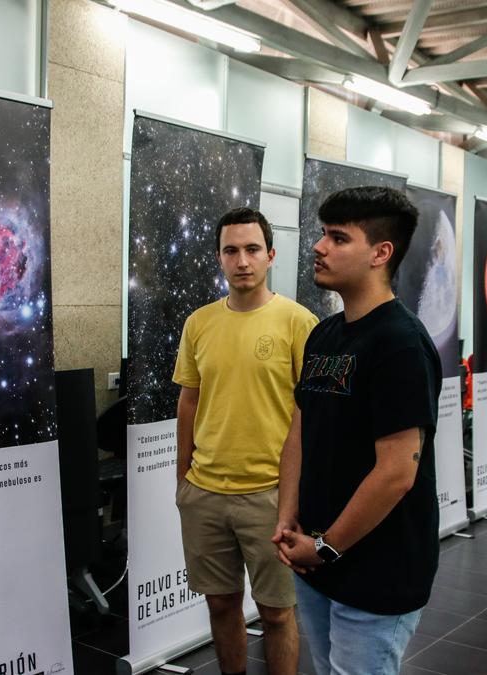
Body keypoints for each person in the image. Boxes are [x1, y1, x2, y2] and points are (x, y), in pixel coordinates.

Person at [274, 186, 440, 675]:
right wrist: (288, 520)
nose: (319, 247)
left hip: (376, 570)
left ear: (380, 253)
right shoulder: (325, 333)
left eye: (338, 238)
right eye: (323, 234)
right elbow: (299, 432)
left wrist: (326, 547)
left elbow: (396, 473)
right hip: (317, 562)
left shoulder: (401, 344)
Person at [172, 207, 317, 675]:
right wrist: (184, 482)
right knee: (220, 606)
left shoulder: (298, 322)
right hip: (207, 493)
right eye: (231, 250)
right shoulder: (199, 324)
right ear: (219, 258)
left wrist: (295, 499)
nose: (242, 261)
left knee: (277, 613)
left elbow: (311, 413)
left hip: (271, 496)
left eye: (252, 249)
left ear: (270, 255)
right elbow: (189, 404)